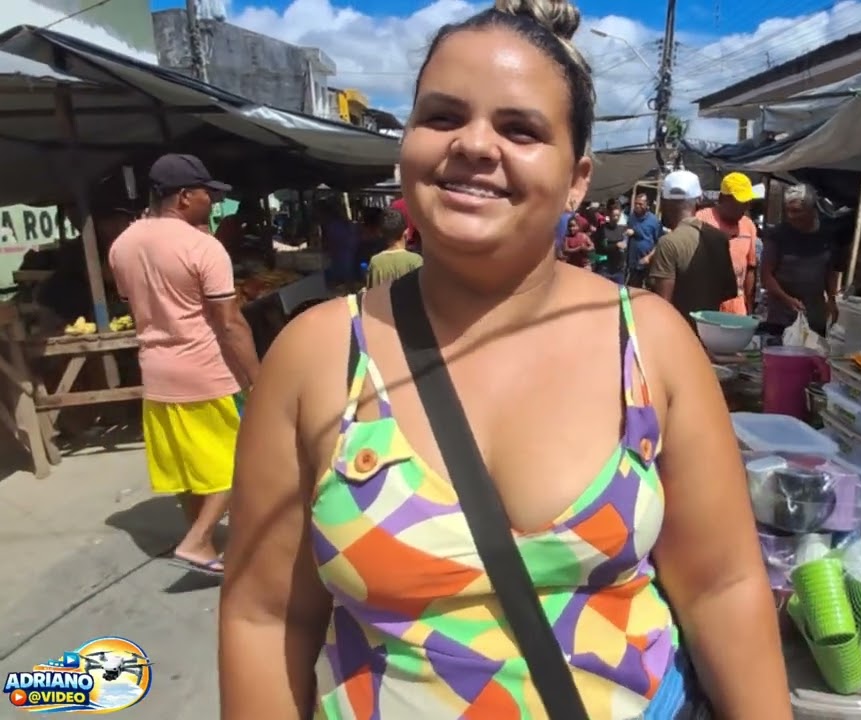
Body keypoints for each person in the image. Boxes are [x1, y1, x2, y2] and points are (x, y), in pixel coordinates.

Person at [218, 1, 790, 718]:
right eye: (442, 116)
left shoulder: (650, 341)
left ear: (578, 177)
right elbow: (265, 617)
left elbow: (722, 587)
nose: (474, 145)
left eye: (520, 129)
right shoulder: (317, 354)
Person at [108, 154, 259, 577]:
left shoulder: (123, 244)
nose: (213, 201)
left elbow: (136, 302)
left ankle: (203, 541)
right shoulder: (203, 247)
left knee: (191, 469)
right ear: (184, 197)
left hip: (156, 371)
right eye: (207, 193)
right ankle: (197, 540)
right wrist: (259, 380)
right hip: (206, 371)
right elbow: (229, 323)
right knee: (244, 460)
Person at [760, 183, 850, 337]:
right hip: (782, 318)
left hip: (815, 316)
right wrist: (787, 300)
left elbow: (829, 271)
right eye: (788, 210)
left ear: (812, 210)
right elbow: (766, 276)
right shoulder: (777, 235)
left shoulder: (826, 236)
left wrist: (832, 300)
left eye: (797, 211)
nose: (791, 216)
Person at [648, 170, 739, 321]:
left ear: (664, 203)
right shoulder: (719, 238)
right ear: (699, 200)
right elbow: (730, 291)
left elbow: (663, 305)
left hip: (679, 330)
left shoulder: (668, 243)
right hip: (709, 329)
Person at [696, 172, 758, 315]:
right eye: (739, 202)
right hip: (705, 302)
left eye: (747, 202)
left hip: (736, 305)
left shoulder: (748, 226)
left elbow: (751, 268)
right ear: (722, 198)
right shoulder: (701, 220)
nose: (744, 207)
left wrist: (749, 305)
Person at [365, 207, 423, 287]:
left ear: (381, 233)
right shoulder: (416, 260)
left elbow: (372, 291)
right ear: (406, 232)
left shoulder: (375, 262)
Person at [624, 192, 662, 287]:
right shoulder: (632, 218)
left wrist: (648, 257)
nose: (637, 206)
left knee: (647, 290)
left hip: (647, 264)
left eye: (640, 204)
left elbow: (659, 243)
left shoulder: (654, 221)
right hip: (633, 264)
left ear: (646, 205)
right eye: (636, 203)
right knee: (633, 289)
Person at [597, 202, 627, 282]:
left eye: (618, 216)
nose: (616, 218)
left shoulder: (622, 229)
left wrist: (634, 232)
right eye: (614, 215)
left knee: (621, 290)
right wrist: (616, 245)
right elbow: (602, 247)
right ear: (609, 215)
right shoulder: (602, 230)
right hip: (605, 267)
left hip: (618, 269)